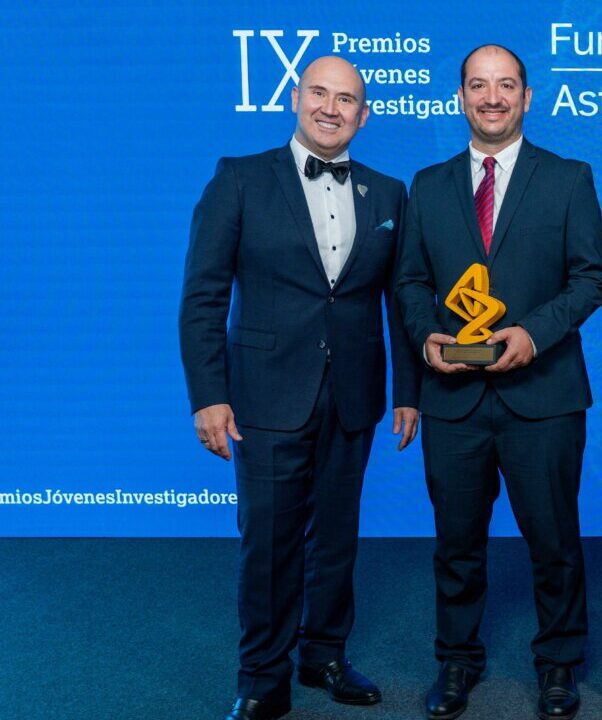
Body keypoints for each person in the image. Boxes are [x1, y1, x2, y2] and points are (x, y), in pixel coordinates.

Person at [179, 56, 421, 720]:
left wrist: (408, 393)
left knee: (337, 535)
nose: (331, 107)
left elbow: (400, 304)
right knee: (270, 541)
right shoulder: (239, 179)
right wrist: (208, 394)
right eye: (320, 93)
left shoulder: (389, 193)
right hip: (263, 393)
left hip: (353, 392)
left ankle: (324, 655)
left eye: (347, 100)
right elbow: (203, 296)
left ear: (363, 115)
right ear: (294, 98)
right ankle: (261, 675)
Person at [395, 44, 602, 720]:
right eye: (479, 85)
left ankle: (558, 665)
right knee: (455, 545)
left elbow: (592, 277)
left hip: (543, 396)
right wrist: (429, 335)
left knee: (555, 543)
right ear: (460, 96)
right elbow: (409, 281)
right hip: (453, 400)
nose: (493, 97)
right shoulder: (426, 185)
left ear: (527, 97)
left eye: (506, 85)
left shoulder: (570, 177)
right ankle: (455, 663)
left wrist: (534, 334)